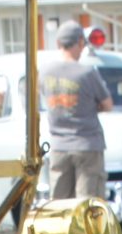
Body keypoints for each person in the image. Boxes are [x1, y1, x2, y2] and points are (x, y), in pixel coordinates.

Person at [40, 21, 112, 201]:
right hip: (87, 144)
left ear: (58, 44)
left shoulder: (45, 72)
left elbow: (42, 97)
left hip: (58, 146)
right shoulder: (87, 72)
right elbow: (108, 104)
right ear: (80, 42)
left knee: (59, 204)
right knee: (87, 205)